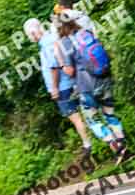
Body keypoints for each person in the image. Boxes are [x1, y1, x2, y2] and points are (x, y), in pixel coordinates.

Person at [54, 18, 129, 164]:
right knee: (110, 114)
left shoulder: (65, 43)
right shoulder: (86, 33)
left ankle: (115, 146)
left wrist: (61, 63)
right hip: (104, 80)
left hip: (86, 87)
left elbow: (70, 71)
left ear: (60, 28)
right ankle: (123, 144)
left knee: (92, 120)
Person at [23, 18, 93, 158]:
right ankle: (100, 139)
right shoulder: (52, 38)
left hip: (63, 88)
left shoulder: (46, 44)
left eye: (29, 35)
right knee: (88, 111)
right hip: (73, 81)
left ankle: (88, 145)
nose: (30, 38)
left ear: (33, 32)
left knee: (76, 118)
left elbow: (54, 67)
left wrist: (54, 88)